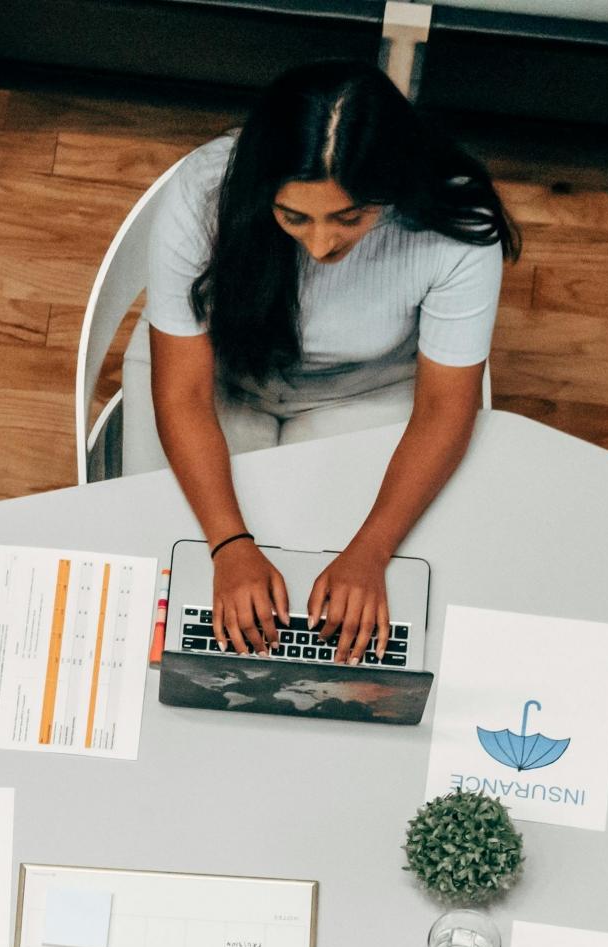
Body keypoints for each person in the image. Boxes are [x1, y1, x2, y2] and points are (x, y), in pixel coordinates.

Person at [130, 61, 520, 662]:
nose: (320, 245)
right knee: (172, 570)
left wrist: (370, 550)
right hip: (223, 378)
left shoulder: (454, 223)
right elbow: (181, 393)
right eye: (294, 216)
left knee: (363, 585)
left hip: (366, 387)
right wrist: (230, 543)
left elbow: (446, 406)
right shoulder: (203, 193)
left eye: (351, 217)